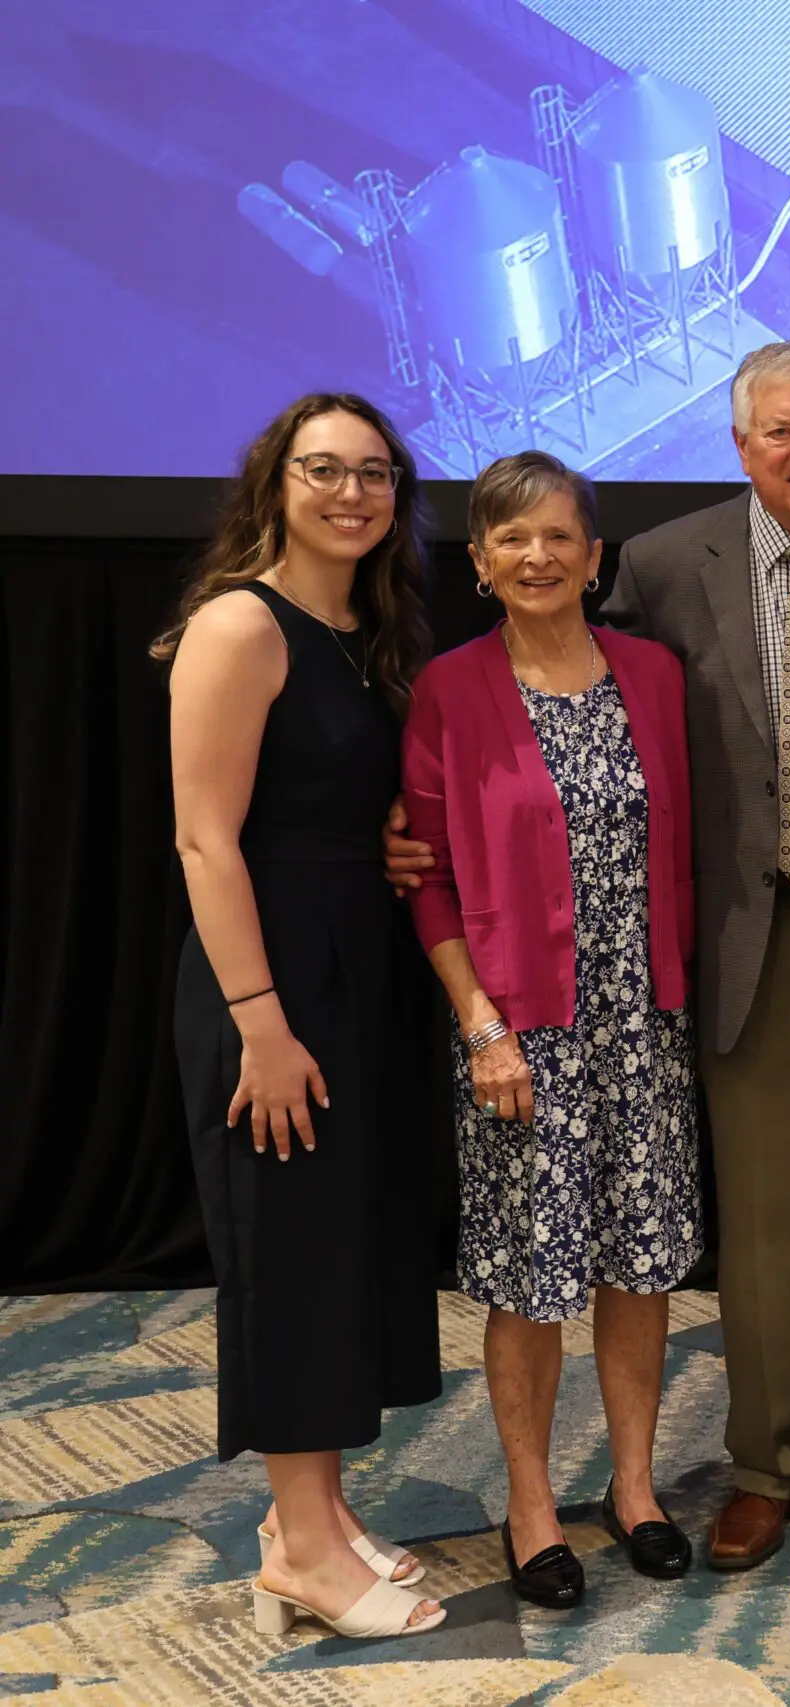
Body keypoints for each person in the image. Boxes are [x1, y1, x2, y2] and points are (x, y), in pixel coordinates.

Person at [385, 340, 790, 1565]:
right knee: (768, 1228)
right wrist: (425, 832)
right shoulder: (664, 566)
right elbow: (581, 713)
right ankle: (770, 1465)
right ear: (739, 442)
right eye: (781, 431)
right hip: (753, 942)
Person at [157, 394, 444, 1639]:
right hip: (268, 985)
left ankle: (309, 1516)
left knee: (339, 1249)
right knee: (288, 1256)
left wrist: (383, 851)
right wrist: (262, 1027)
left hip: (351, 968)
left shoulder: (355, 628)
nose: (351, 493)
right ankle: (304, 1556)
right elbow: (204, 839)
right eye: (323, 470)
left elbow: (326, 800)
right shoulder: (241, 623)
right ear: (276, 482)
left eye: (374, 474)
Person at [400, 452, 702, 1606]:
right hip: (523, 1034)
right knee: (530, 1280)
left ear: (595, 554)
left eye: (557, 538)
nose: (537, 557)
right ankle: (532, 1505)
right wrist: (480, 1027)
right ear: (479, 564)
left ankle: (633, 1489)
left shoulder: (656, 676)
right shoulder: (452, 690)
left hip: (646, 1023)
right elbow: (426, 880)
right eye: (509, 541)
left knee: (640, 1262)